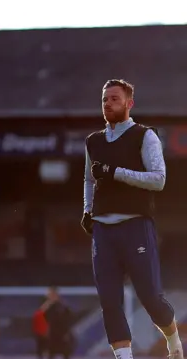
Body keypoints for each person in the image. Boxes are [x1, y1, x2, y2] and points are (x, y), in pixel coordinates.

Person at [83, 79, 183, 359]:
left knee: (150, 298)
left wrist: (116, 171)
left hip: (136, 225)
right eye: (104, 99)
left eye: (115, 98)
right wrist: (87, 210)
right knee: (109, 301)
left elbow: (159, 180)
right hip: (103, 229)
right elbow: (89, 179)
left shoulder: (144, 135)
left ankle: (173, 341)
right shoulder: (93, 141)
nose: (108, 103)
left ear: (129, 103)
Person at [42, 287, 73, 359]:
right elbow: (43, 315)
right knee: (51, 353)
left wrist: (67, 331)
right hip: (53, 333)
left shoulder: (62, 306)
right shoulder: (48, 306)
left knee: (65, 352)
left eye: (53, 294)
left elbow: (69, 317)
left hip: (62, 333)